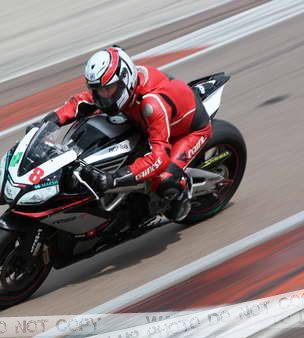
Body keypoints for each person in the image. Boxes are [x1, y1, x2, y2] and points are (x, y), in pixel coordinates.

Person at [36, 46, 212, 222]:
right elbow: (79, 103)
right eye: (98, 90)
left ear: (124, 81)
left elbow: (159, 159)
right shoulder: (119, 87)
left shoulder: (151, 105)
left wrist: (115, 178)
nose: (103, 95)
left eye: (108, 89)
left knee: (164, 181)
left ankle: (182, 193)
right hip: (146, 123)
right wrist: (47, 123)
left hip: (188, 131)